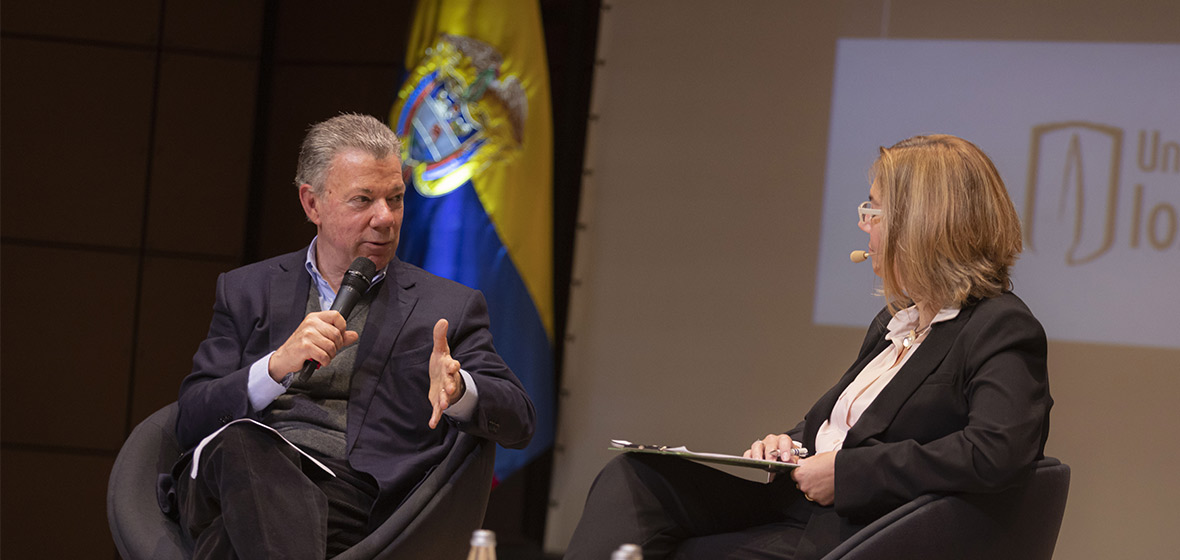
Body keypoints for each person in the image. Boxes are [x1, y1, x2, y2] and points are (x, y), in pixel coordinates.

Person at [564, 134, 1052, 559]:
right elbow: (849, 425)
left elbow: (996, 452)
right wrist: (792, 443)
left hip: (864, 531)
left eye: (874, 211)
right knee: (635, 479)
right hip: (802, 507)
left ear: (921, 224)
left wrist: (848, 472)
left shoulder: (999, 325)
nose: (864, 225)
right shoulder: (896, 322)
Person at [168, 113, 536, 559]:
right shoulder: (247, 289)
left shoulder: (447, 307)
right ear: (312, 203)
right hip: (233, 472)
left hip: (352, 498)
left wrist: (461, 390)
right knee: (243, 445)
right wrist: (273, 367)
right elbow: (190, 420)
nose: (385, 219)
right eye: (362, 200)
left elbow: (519, 420)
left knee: (228, 539)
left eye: (396, 199)